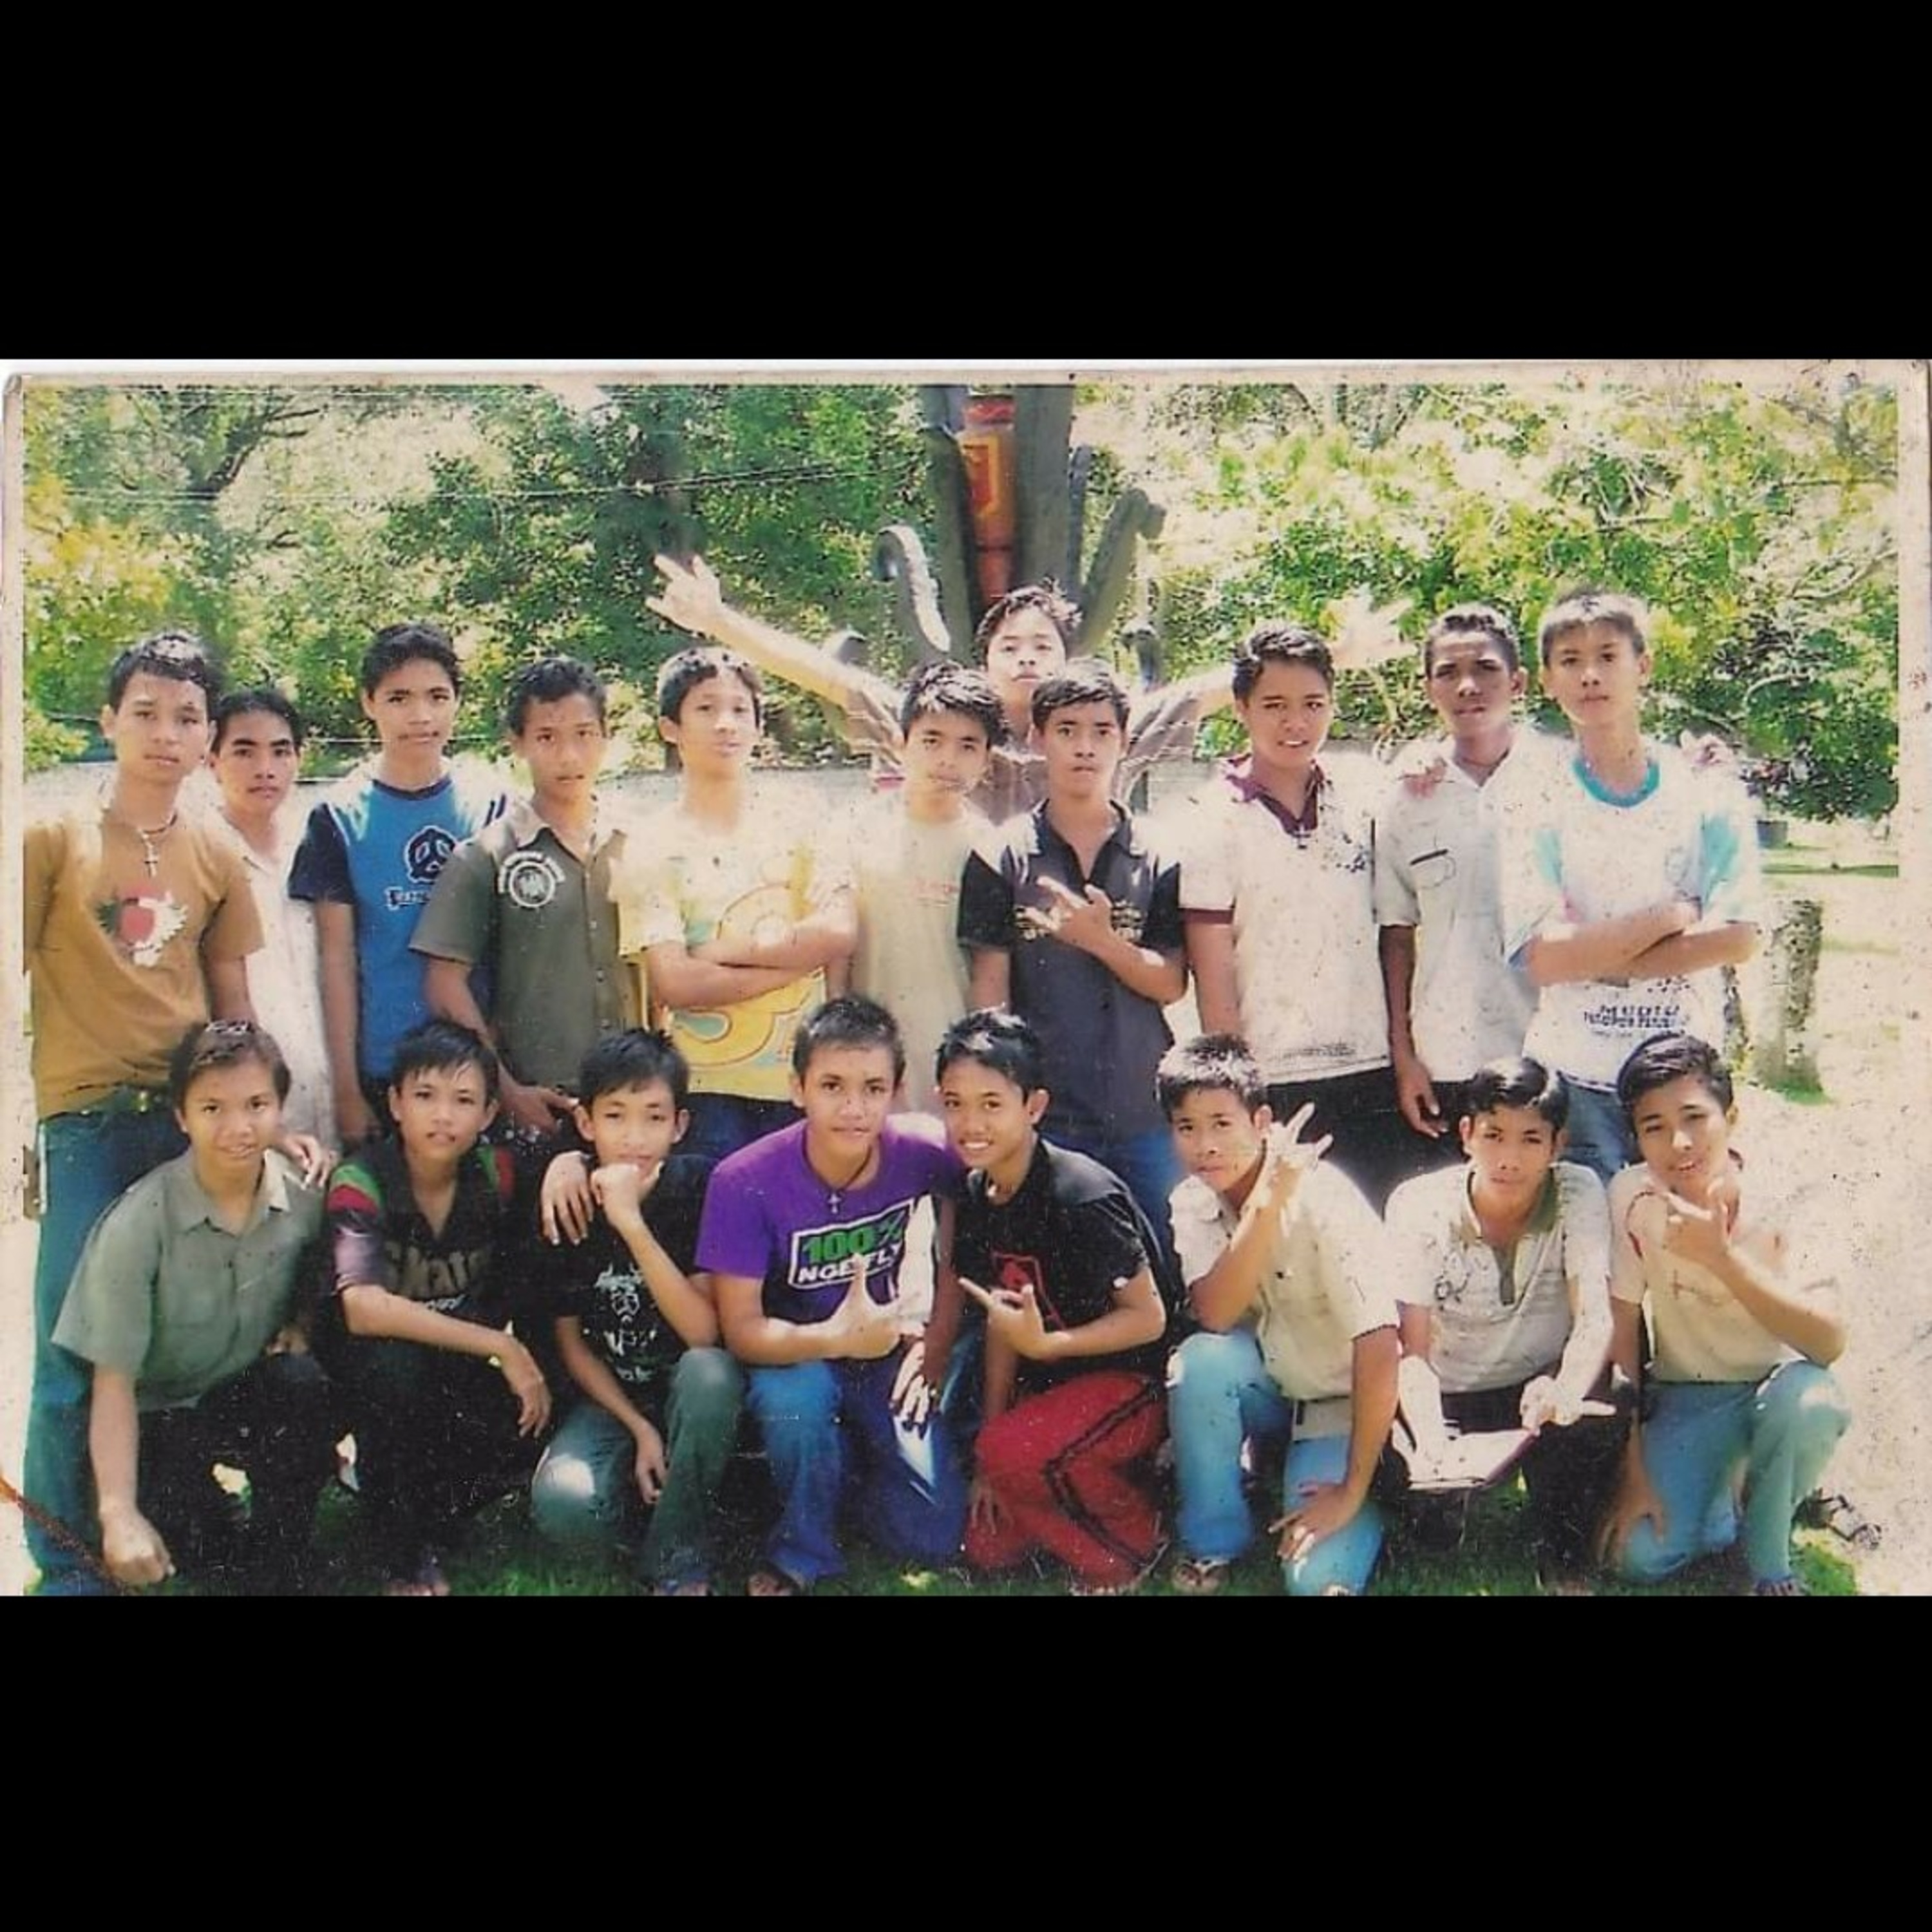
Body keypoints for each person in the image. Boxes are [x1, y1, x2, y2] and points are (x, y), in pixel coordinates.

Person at [22, 630, 266, 1595]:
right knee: (70, 1347)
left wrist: (257, 1112)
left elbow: (233, 1004)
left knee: (172, 1340)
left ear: (207, 738)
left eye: (188, 718)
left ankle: (171, 1517)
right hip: (86, 1118)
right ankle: (65, 1561)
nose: (167, 733)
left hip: (185, 1126)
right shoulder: (52, 839)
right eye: (147, 713)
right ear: (108, 721)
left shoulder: (216, 851)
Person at [52, 1022, 334, 1593]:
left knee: (302, 1388)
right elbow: (113, 1383)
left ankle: (282, 1555)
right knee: (197, 1548)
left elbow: (318, 1277)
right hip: (158, 1418)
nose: (238, 1128)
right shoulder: (137, 1227)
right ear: (181, 1116)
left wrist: (301, 1326)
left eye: (257, 1105)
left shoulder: (303, 1198)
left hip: (239, 1393)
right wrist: (119, 1514)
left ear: (280, 1109)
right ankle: (214, 1527)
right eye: (212, 1108)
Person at [699, 998, 967, 1595]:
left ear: (897, 1090)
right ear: (797, 1088)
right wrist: (835, 1337)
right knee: (801, 1401)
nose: (853, 1108)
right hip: (790, 1355)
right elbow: (741, 1330)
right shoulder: (744, 1179)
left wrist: (936, 1342)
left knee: (934, 1533)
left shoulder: (923, 1149)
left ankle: (836, 1476)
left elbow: (960, 1244)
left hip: (879, 1354)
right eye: (832, 1086)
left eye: (873, 1088)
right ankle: (801, 1551)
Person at [1497, 589, 1762, 1182]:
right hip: (1575, 1081)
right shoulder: (1533, 800)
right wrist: (1670, 917)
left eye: (1608, 656)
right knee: (1582, 1238)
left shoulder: (1707, 790)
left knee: (1686, 1238)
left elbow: (1738, 937)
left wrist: (1599, 958)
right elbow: (1543, 958)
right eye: (1570, 660)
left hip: (1681, 1085)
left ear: (1643, 665)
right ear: (1547, 680)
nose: (1590, 675)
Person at [648, 553, 1228, 822]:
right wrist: (722, 622)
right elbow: (832, 679)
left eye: (1042, 646)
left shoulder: (1102, 732)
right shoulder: (941, 727)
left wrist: (1287, 657)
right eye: (1009, 647)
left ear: (1066, 659)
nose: (1026, 658)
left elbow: (1199, 694)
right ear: (985, 662)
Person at [1600, 1034, 1850, 1595]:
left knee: (1812, 1404)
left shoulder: (1788, 1193)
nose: (1679, 1143)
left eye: (1695, 1118)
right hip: (1689, 1395)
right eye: (1654, 1127)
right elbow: (1623, 1328)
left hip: (1778, 1389)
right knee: (1638, 1557)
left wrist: (1721, 1258)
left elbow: (1828, 1343)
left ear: (1731, 1117)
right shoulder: (1631, 1196)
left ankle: (1767, 1564)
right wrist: (1634, 1469)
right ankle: (1739, 1494)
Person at [957, 658, 1188, 1256]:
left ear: (1124, 740)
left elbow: (1171, 982)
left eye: (1101, 731)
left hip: (1143, 1112)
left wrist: (1101, 941)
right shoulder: (998, 857)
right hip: (1046, 1117)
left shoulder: (1160, 855)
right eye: (1067, 730)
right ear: (1038, 739)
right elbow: (990, 999)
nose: (1085, 747)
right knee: (1048, 1269)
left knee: (1164, 1262)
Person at [936, 1009, 1170, 1595]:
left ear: (1034, 1107)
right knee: (989, 1544)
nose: (971, 1123)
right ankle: (1068, 1490)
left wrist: (1051, 1345)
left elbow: (1150, 1319)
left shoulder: (1080, 1193)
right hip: (1052, 1391)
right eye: (955, 1104)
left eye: (992, 1104)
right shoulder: (976, 1192)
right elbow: (1002, 1322)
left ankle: (1135, 1542)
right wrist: (989, 1456)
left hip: (1133, 1384)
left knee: (1015, 1454)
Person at [1159, 1035, 1401, 1597]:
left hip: (1340, 1404)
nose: (1205, 1146)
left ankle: (1367, 1494)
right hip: (1268, 1385)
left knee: (1316, 1582)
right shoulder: (1191, 1201)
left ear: (1262, 1121)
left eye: (1222, 1124)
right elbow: (1216, 1313)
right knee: (1199, 1363)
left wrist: (1350, 1491)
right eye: (1187, 1127)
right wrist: (1267, 1201)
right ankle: (1213, 1538)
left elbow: (1379, 1344)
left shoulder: (1325, 1197)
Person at [318, 1020, 551, 1596]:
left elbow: (563, 1158)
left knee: (521, 1422)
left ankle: (427, 1510)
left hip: (449, 1362)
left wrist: (567, 1165)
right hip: (365, 1370)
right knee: (395, 1372)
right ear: (396, 1102)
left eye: (464, 1100)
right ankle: (400, 1554)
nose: (443, 1116)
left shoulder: (496, 1172)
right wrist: (500, 1344)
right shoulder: (362, 1178)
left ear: (489, 1113)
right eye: (425, 1095)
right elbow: (363, 1308)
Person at [1182, 621, 1409, 1210]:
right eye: (1275, 705)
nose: (1295, 723)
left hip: (1370, 1069)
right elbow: (1214, 972)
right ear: (1241, 708)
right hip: (1273, 1080)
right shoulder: (1211, 817)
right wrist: (1238, 1095)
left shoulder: (1363, 796)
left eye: (1312, 704)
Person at [1384, 1055, 1623, 1592]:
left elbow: (1594, 1318)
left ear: (1558, 1145)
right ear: (1467, 1134)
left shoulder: (1579, 1191)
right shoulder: (1419, 1206)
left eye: (1531, 1139)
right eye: (1494, 1135)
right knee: (1423, 1518)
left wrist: (1564, 1390)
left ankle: (1563, 1550)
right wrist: (1430, 1439)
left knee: (1599, 1398)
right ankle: (1447, 1495)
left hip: (1535, 1386)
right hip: (1444, 1392)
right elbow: (1411, 1352)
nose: (1509, 1159)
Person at [618, 645, 857, 1166]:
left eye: (740, 709)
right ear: (670, 728)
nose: (726, 724)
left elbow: (839, 930)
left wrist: (721, 952)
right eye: (706, 708)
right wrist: (800, 961)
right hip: (706, 1090)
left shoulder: (805, 818)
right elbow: (676, 984)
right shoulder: (651, 843)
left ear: (758, 725)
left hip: (805, 1079)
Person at [527, 1030, 743, 1595]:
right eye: (615, 1117)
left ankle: (676, 1557)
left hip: (690, 1394)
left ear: (679, 1125)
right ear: (586, 1123)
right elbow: (572, 1343)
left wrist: (631, 1223)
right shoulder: (567, 1199)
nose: (634, 1138)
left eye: (654, 1118)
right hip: (611, 1398)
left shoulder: (697, 1187)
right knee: (564, 1508)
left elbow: (703, 1333)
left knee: (712, 1373)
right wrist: (639, 1428)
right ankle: (656, 1504)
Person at [290, 621, 507, 1150]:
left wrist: (504, 1066)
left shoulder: (494, 805)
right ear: (369, 703)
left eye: (437, 697)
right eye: (399, 698)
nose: (421, 716)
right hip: (385, 1067)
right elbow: (337, 960)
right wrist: (347, 1091)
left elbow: (512, 946)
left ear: (458, 702)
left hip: (480, 1068)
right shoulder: (338, 817)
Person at [413, 655, 639, 1141]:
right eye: (547, 738)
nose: (569, 756)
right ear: (517, 742)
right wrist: (506, 1088)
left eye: (584, 734)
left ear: (606, 735)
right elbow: (444, 984)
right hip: (543, 1106)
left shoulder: (639, 844)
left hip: (637, 1102)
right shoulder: (487, 856)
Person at [1376, 605, 1538, 1175]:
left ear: (1518, 682)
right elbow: (1396, 932)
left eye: (1485, 668)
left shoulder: (1562, 778)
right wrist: (1405, 1057)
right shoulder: (1405, 797)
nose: (1467, 686)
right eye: (1448, 673)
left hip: (1548, 1048)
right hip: (1447, 1054)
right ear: (1428, 689)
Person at [832, 659, 1001, 1115]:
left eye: (968, 745)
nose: (948, 759)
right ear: (900, 743)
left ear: (987, 760)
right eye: (932, 740)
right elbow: (837, 958)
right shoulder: (855, 831)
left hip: (954, 1069)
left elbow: (989, 972)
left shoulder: (991, 849)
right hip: (868, 1063)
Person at [207, 687, 336, 1147]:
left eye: (280, 751)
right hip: (254, 1122)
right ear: (211, 761)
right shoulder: (202, 855)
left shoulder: (319, 845)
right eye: (244, 751)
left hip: (336, 1099)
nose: (265, 768)